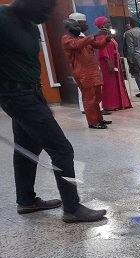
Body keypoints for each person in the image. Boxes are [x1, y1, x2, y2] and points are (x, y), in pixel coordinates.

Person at [0, 0, 106, 222]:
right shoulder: (3, 17)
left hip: (31, 93)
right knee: (62, 149)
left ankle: (26, 200)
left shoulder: (28, 23)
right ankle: (72, 208)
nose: (47, 15)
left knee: (26, 147)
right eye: (44, 9)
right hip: (16, 95)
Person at [62, 14, 113, 129]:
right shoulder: (66, 39)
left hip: (93, 72)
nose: (78, 27)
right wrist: (94, 35)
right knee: (89, 99)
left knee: (97, 98)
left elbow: (98, 45)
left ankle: (99, 119)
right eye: (75, 25)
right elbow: (77, 45)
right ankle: (93, 122)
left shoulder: (82, 38)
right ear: (69, 28)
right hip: (83, 74)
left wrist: (107, 39)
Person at [95, 17, 132, 111]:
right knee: (110, 84)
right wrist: (109, 63)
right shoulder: (101, 37)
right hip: (108, 63)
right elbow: (103, 51)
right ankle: (111, 104)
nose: (110, 23)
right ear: (102, 25)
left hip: (115, 61)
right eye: (107, 22)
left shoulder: (108, 35)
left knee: (117, 82)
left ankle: (120, 103)